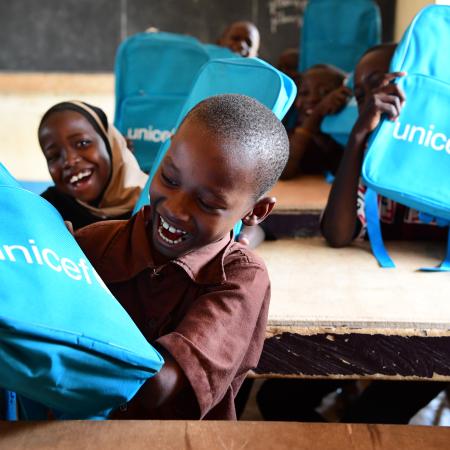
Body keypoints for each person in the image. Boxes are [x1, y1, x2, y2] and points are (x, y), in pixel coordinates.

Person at [257, 43, 447, 424]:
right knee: (276, 399)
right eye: (361, 94)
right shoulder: (369, 157)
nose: (370, 101)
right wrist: (359, 137)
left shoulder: (442, 153)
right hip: (370, 305)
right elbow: (338, 233)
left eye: (380, 87)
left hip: (430, 323)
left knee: (371, 417)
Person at [74, 94, 289, 420]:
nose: (175, 208)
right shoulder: (94, 243)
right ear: (165, 152)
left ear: (255, 211)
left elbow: (160, 384)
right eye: (170, 179)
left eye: (207, 203)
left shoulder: (239, 277)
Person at [39, 101, 148, 230]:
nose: (69, 160)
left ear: (111, 145)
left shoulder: (153, 203)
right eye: (54, 156)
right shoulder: (46, 210)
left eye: (82, 143)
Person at [281, 64, 351, 180]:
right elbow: (283, 172)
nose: (312, 98)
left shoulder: (344, 139)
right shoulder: (288, 137)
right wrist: (315, 116)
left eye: (325, 92)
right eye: (304, 93)